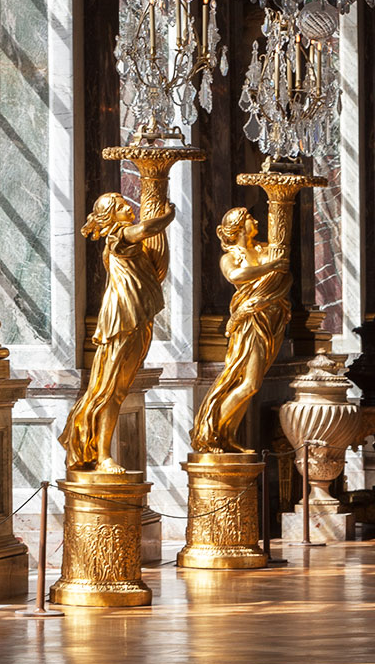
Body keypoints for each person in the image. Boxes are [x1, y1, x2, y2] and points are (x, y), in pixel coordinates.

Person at [60, 185, 177, 473]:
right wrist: (168, 214)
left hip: (135, 319)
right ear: (112, 217)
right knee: (109, 390)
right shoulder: (119, 237)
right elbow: (148, 227)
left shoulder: (125, 242)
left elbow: (152, 265)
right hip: (121, 322)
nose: (130, 209)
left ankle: (100, 452)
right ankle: (102, 456)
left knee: (118, 390)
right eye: (124, 206)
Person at [193, 206, 292, 453]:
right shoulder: (230, 257)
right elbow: (237, 276)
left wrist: (270, 294)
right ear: (237, 227)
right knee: (249, 383)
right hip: (249, 323)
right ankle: (210, 434)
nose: (255, 220)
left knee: (249, 384)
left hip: (270, 321)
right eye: (249, 217)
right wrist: (271, 268)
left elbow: (285, 277)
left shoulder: (266, 250)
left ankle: (226, 438)